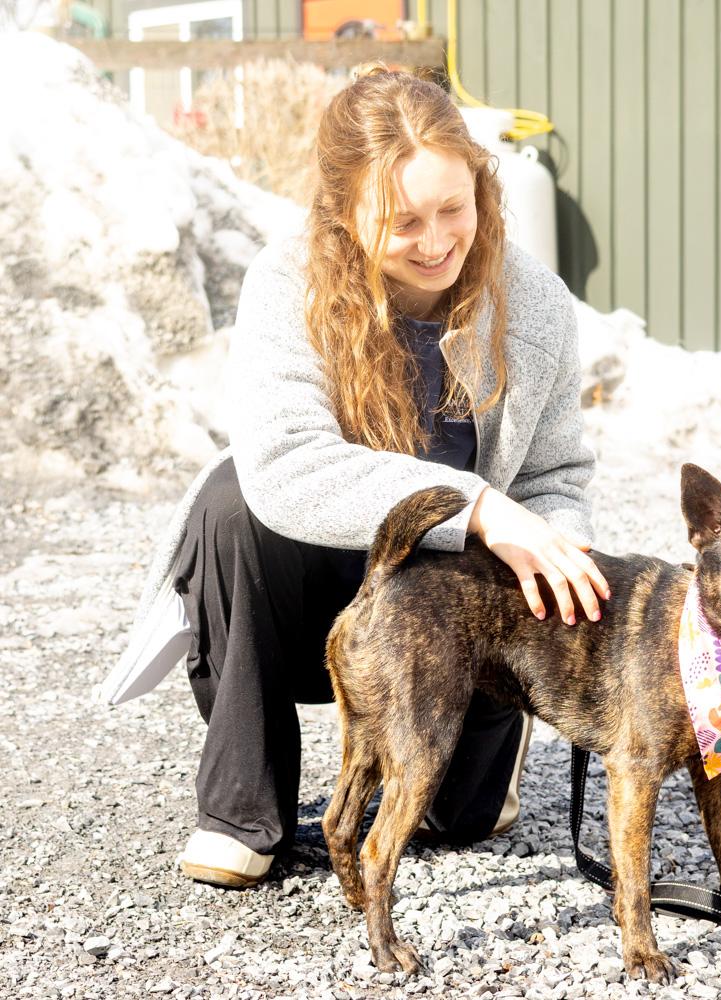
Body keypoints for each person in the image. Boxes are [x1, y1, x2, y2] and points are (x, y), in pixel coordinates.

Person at [128, 63, 609, 888]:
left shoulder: (535, 304)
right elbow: (282, 462)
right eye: (403, 220)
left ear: (482, 188)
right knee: (228, 501)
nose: (436, 241)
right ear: (345, 216)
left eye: (453, 208)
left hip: (455, 616)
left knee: (458, 827)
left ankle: (478, 767)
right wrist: (478, 505)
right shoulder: (289, 284)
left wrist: (558, 555)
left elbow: (557, 474)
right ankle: (244, 811)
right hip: (316, 608)